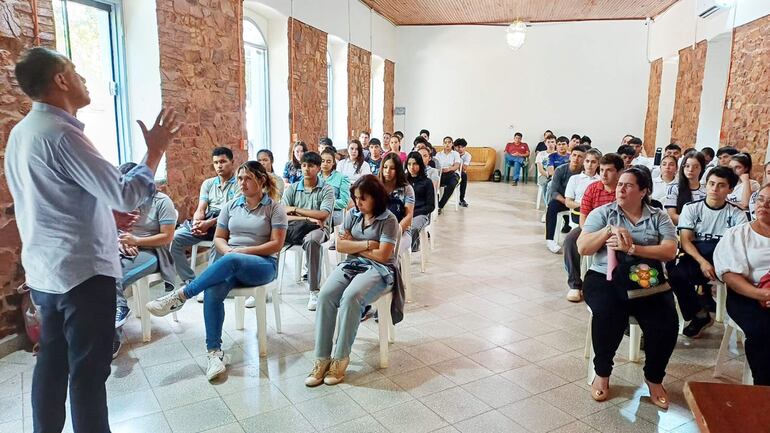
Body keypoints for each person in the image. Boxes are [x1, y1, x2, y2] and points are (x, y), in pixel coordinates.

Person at [6, 47, 180, 433]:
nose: (83, 78)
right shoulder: (62, 134)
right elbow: (126, 193)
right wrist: (154, 152)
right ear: (61, 80)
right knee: (88, 372)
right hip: (82, 274)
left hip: (45, 272)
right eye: (75, 70)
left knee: (51, 363)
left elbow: (53, 202)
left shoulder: (21, 133)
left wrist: (104, 214)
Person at [147, 161, 286, 381]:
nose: (242, 183)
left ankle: (182, 295)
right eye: (240, 178)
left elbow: (276, 245)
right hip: (232, 261)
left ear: (261, 180)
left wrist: (243, 252)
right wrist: (231, 251)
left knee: (231, 261)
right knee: (213, 291)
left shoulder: (274, 208)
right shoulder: (231, 205)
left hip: (263, 264)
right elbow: (219, 238)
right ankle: (214, 353)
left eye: (248, 178)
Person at [577, 166, 678, 408]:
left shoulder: (658, 216)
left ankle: (654, 378)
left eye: (629, 185)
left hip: (646, 279)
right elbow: (583, 247)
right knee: (608, 313)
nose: (621, 188)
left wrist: (633, 249)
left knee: (666, 320)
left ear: (643, 191)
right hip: (605, 277)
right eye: (620, 184)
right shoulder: (603, 213)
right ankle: (602, 373)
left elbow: (670, 250)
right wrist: (607, 231)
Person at [305, 175, 404, 386]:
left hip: (381, 271)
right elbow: (340, 246)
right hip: (351, 265)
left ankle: (340, 359)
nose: (358, 203)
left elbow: (384, 256)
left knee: (351, 297)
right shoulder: (352, 215)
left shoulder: (389, 220)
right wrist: (369, 244)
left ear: (376, 198)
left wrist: (355, 245)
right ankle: (322, 359)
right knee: (325, 295)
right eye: (356, 198)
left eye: (363, 198)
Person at [668, 166, 747, 338]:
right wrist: (702, 262)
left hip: (724, 258)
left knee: (742, 279)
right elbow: (686, 240)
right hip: (697, 256)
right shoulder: (691, 208)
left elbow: (737, 246)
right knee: (675, 274)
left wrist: (719, 264)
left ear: (730, 190)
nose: (714, 189)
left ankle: (741, 322)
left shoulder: (737, 214)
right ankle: (699, 314)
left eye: (721, 185)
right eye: (711, 184)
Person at [113, 162, 177, 358]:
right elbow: (112, 227)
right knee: (99, 271)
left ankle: (112, 336)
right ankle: (113, 315)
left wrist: (137, 240)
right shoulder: (121, 202)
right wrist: (120, 242)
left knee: (113, 276)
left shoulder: (161, 201)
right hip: (125, 248)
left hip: (153, 252)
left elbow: (167, 236)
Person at [714, 183, 770, 385]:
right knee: (763, 331)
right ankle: (764, 389)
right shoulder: (738, 234)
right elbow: (731, 277)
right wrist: (763, 295)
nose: (764, 205)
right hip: (747, 296)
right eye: (761, 199)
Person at [171, 147, 241, 290]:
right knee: (175, 239)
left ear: (232, 162)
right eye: (216, 163)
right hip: (208, 221)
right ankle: (190, 281)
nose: (219, 166)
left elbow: (231, 212)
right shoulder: (208, 184)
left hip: (227, 223)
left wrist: (208, 223)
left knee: (218, 241)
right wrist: (198, 222)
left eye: (223, 161)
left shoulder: (239, 183)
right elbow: (201, 208)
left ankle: (209, 285)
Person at [564, 153, 624, 302]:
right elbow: (583, 218)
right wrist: (592, 234)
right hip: (592, 229)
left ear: (619, 172)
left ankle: (616, 282)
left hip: (619, 230)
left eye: (609, 170)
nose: (603, 174)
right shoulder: (592, 189)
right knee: (571, 240)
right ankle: (575, 285)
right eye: (602, 169)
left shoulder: (624, 190)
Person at [282, 152, 336, 310]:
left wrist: (296, 210)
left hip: (319, 229)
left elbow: (323, 215)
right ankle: (263, 283)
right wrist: (306, 219)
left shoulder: (327, 189)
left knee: (312, 241)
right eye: (304, 165)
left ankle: (314, 290)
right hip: (296, 228)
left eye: (311, 166)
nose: (306, 169)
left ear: (318, 168)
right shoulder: (293, 188)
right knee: (270, 233)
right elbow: (282, 213)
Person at [545, 146, 587, 253]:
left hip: (581, 202)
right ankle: (550, 240)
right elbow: (553, 191)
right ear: (570, 156)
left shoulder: (586, 172)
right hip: (563, 200)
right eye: (574, 155)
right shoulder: (561, 170)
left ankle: (582, 241)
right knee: (552, 206)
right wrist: (567, 202)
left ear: (584, 159)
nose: (576, 158)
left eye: (580, 157)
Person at [379, 153, 415, 256]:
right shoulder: (376, 186)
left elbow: (409, 216)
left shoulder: (407, 189)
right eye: (385, 167)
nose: (387, 171)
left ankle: (393, 271)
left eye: (392, 168)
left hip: (401, 231)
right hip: (379, 229)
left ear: (398, 170)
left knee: (390, 250)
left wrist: (396, 232)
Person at [665, 152, 707, 225]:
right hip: (680, 230)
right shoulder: (674, 189)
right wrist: (695, 222)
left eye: (696, 167)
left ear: (702, 169)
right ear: (682, 167)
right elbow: (672, 217)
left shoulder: (706, 191)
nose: (690, 169)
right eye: (687, 166)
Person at [406, 151, 436, 252]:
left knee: (413, 227)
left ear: (420, 164)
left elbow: (431, 206)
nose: (411, 167)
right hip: (405, 213)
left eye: (415, 164)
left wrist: (413, 213)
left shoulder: (427, 182)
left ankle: (409, 250)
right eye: (409, 164)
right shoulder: (403, 181)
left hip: (421, 214)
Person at [319, 148, 351, 227]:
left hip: (334, 213)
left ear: (333, 163)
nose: (325, 164)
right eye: (322, 161)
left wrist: (326, 204)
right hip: (315, 212)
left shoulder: (342, 178)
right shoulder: (315, 176)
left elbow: (344, 202)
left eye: (328, 161)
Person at [434, 136, 463, 214]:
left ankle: (440, 205)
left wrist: (449, 169)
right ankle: (435, 204)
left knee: (452, 184)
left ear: (452, 144)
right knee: (433, 184)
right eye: (445, 142)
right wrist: (440, 171)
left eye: (449, 142)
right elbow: (436, 166)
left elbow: (457, 165)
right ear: (443, 144)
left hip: (452, 173)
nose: (447, 144)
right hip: (441, 174)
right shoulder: (438, 154)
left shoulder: (455, 154)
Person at [535, 134, 556, 211]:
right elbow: (540, 169)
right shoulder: (541, 154)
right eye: (548, 142)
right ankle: (548, 206)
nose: (550, 144)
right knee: (545, 184)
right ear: (545, 143)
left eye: (552, 142)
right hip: (543, 175)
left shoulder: (557, 154)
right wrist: (548, 175)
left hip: (555, 176)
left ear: (555, 143)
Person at [454, 138, 472, 207]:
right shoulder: (452, 153)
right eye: (458, 147)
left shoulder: (468, 155)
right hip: (451, 171)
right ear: (455, 147)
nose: (460, 149)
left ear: (465, 147)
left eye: (462, 147)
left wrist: (457, 160)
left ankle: (461, 199)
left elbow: (464, 168)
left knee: (464, 175)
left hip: (460, 172)